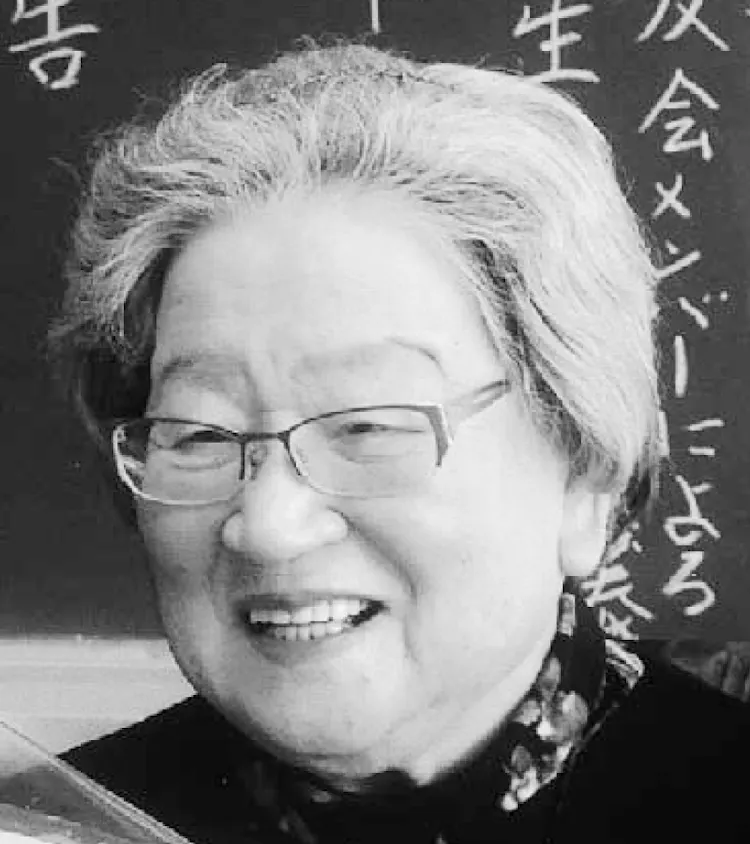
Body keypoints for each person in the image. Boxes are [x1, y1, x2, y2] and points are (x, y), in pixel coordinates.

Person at [50, 41, 750, 844]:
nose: (269, 525)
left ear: (585, 476)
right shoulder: (55, 825)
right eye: (201, 433)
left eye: (367, 425)